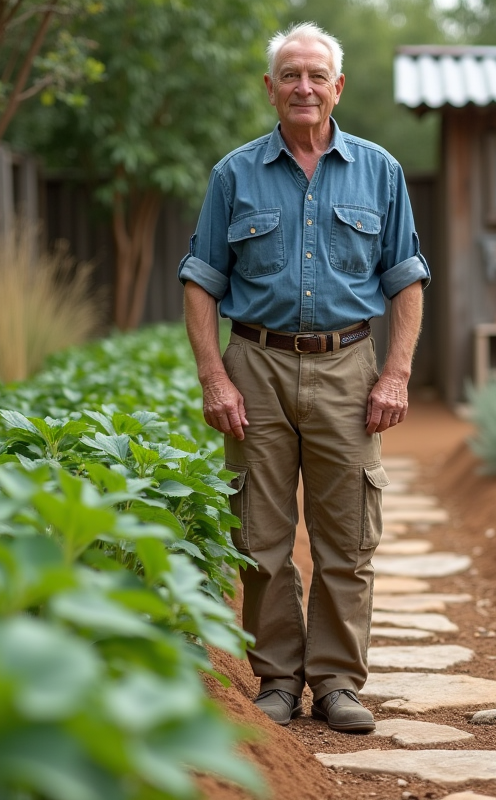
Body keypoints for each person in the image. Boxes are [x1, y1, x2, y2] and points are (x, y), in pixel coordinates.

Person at [178, 21, 428, 734]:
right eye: (290, 74)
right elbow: (200, 282)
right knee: (258, 536)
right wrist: (214, 380)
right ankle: (279, 680)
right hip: (253, 364)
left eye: (316, 75)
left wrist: (396, 374)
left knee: (347, 538)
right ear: (270, 88)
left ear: (337, 86)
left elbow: (406, 280)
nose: (304, 87)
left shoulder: (380, 171)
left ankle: (339, 682)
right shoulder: (235, 174)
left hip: (349, 366)